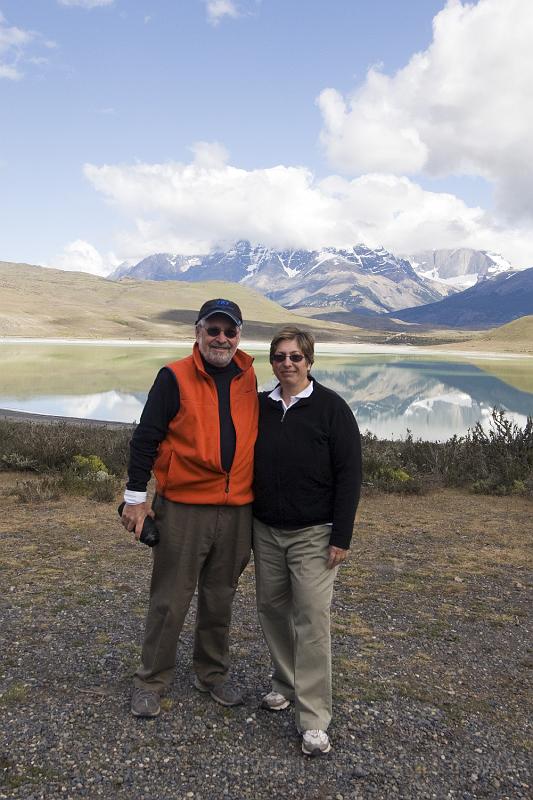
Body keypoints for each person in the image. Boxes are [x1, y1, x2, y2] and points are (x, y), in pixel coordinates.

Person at [120, 299, 258, 717]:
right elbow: (146, 438)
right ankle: (152, 680)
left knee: (220, 596)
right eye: (212, 330)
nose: (221, 338)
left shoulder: (250, 377)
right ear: (197, 332)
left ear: (239, 335)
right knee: (170, 598)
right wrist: (134, 497)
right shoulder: (173, 376)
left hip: (238, 509)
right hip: (183, 507)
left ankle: (211, 674)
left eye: (229, 331)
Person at [253, 326, 362, 756]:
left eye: (295, 357)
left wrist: (342, 535)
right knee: (272, 609)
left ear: (310, 361)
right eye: (279, 357)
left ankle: (314, 717)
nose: (287, 364)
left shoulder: (332, 409)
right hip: (265, 529)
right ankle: (285, 683)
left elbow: (350, 475)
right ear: (272, 362)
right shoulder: (260, 406)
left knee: (312, 619)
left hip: (314, 534)